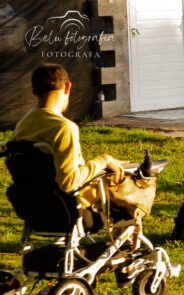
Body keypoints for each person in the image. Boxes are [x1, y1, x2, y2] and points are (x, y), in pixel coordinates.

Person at [11, 64, 124, 215]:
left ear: (34, 92)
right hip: (70, 209)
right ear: (67, 87)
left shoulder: (22, 126)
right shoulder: (64, 128)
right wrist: (103, 160)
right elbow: (68, 182)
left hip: (32, 208)